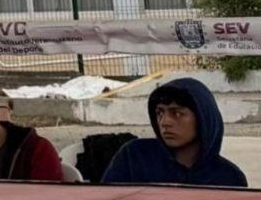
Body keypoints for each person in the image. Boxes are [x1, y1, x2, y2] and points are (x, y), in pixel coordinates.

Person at [98, 78, 246, 188]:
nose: (164, 122)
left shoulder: (229, 178)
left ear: (203, 118)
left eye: (177, 113)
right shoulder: (134, 157)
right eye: (160, 113)